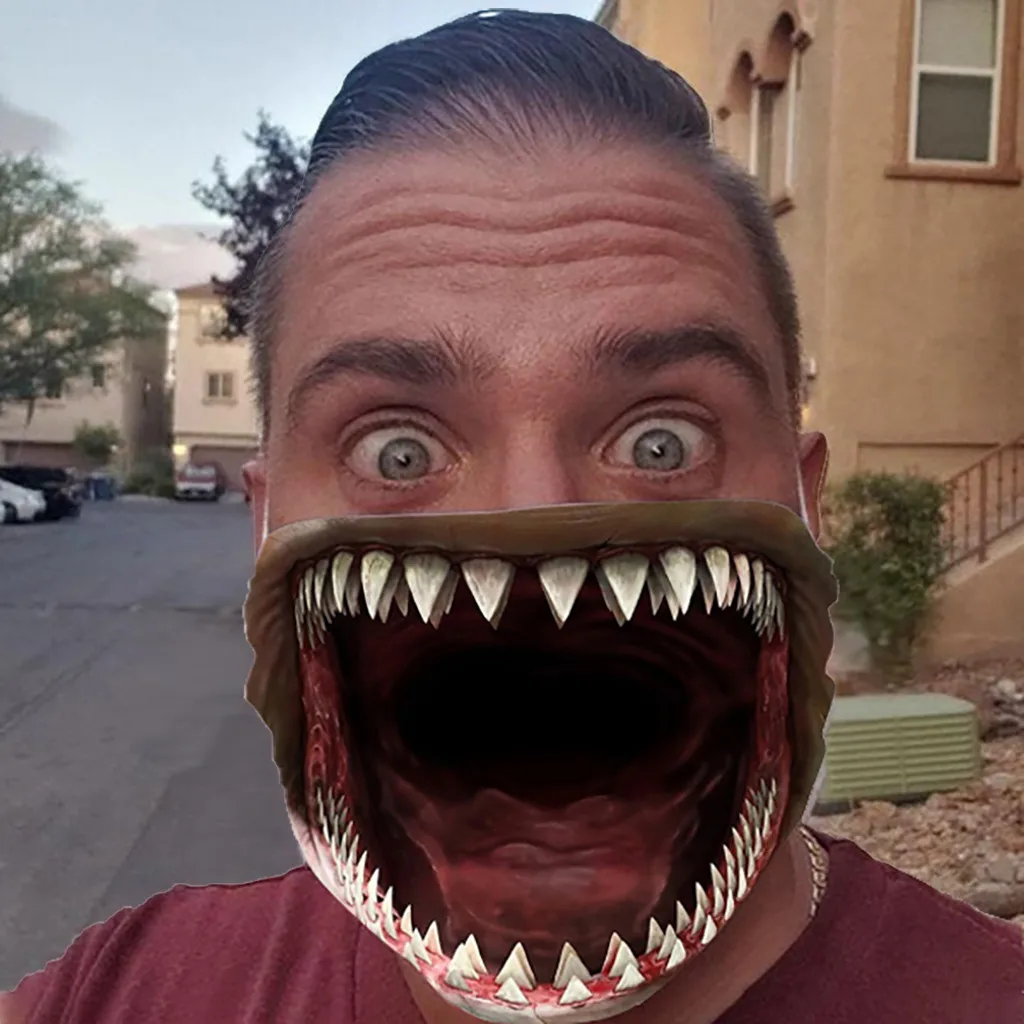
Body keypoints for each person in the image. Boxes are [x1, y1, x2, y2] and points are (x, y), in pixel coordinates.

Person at [3, 11, 1021, 1024]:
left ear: (808, 505)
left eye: (661, 442)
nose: (534, 518)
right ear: (264, 528)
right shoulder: (117, 1000)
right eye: (396, 452)